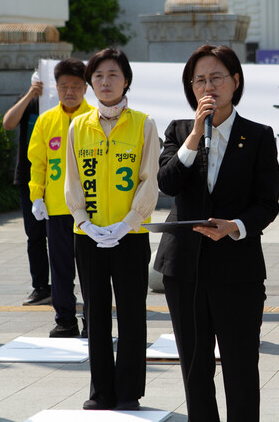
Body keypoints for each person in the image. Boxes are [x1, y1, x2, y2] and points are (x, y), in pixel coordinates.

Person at [154, 44, 279, 421]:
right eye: (200, 80)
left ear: (235, 81)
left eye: (216, 78)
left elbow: (267, 203)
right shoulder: (178, 131)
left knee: (241, 365)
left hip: (237, 269)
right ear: (191, 88)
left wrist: (235, 227)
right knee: (195, 367)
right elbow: (168, 183)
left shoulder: (258, 136)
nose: (208, 87)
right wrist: (194, 135)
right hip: (184, 270)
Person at [64, 48, 159, 411]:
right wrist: (83, 221)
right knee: (96, 313)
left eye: (113, 75)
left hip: (130, 237)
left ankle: (128, 390)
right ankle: (100, 390)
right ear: (91, 82)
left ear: (126, 81)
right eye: (99, 75)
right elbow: (72, 180)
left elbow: (149, 180)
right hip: (88, 237)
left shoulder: (143, 124)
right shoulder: (79, 126)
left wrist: (129, 222)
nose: (105, 82)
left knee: (133, 313)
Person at [28, 58, 91, 337]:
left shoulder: (96, 117)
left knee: (91, 269)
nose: (69, 91)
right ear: (55, 87)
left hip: (91, 209)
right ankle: (65, 320)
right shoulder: (46, 120)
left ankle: (94, 319)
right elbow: (37, 162)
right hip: (57, 208)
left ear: (85, 88)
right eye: (64, 85)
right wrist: (36, 196)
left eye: (75, 86)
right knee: (61, 269)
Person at [3, 71, 51, 306]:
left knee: (64, 237)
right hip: (29, 178)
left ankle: (65, 285)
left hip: (60, 179)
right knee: (35, 235)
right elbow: (8, 123)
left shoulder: (66, 104)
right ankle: (41, 286)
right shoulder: (28, 101)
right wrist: (31, 93)